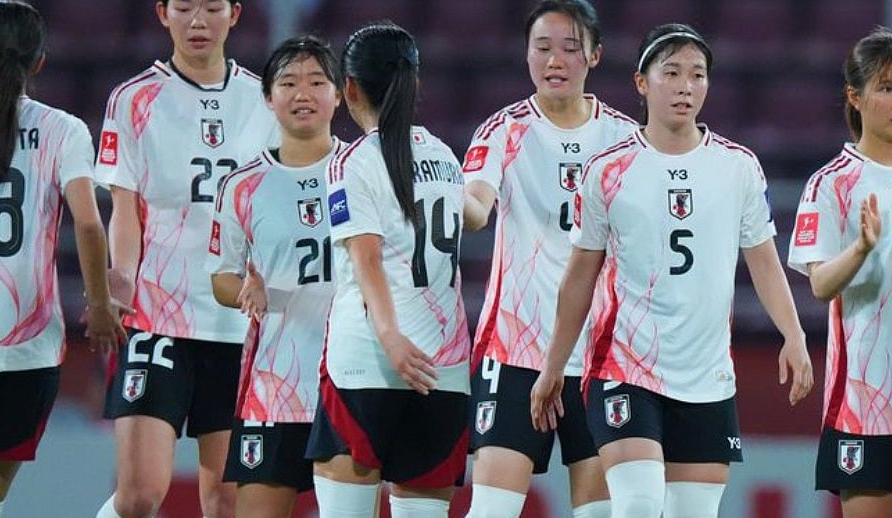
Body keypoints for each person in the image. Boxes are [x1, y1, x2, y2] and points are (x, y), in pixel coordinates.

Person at [530, 23, 814, 518]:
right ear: (642, 82)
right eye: (672, 73)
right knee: (637, 505)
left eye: (698, 75)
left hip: (707, 376)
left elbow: (763, 258)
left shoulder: (737, 167)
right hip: (625, 367)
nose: (686, 86)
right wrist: (554, 365)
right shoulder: (608, 170)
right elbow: (580, 275)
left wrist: (793, 334)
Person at [93, 1, 280, 517]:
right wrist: (122, 280)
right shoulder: (133, 99)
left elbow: (275, 202)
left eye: (213, 7)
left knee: (224, 503)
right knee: (138, 498)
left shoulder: (264, 101)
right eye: (184, 7)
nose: (198, 21)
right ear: (162, 13)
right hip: (158, 315)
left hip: (236, 325)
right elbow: (125, 208)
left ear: (235, 14)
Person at [461, 1, 635, 516]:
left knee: (599, 512)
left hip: (600, 357)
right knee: (491, 509)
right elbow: (476, 206)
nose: (554, 60)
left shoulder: (625, 139)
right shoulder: (503, 130)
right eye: (542, 48)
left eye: (569, 48)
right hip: (515, 350)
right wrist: (459, 205)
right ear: (526, 54)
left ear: (595, 56)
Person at [304, 22, 470, 518]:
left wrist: (390, 336)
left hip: (368, 365)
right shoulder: (445, 157)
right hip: (442, 372)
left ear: (348, 89)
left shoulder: (352, 162)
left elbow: (367, 256)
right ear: (415, 83)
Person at [0, 2, 127, 517]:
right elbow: (87, 221)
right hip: (30, 347)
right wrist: (100, 305)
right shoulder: (62, 129)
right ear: (40, 63)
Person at [206, 35, 344, 518]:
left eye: (316, 82)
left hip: (350, 379)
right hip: (275, 382)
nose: (302, 93)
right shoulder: (242, 185)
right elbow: (222, 278)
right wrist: (246, 289)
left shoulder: (364, 168)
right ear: (268, 98)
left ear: (339, 94)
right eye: (287, 82)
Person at [787, 27, 892, 518]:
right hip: (867, 400)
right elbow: (820, 284)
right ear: (856, 96)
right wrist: (861, 249)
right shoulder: (833, 184)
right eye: (887, 88)